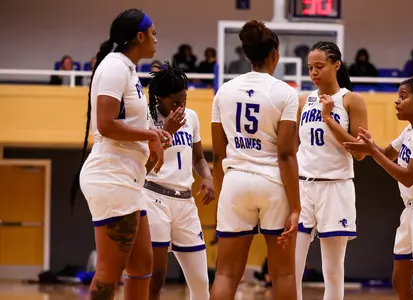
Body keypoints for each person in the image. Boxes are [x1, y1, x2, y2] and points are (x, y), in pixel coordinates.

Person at [69, 8, 169, 300]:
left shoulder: (128, 70)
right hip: (111, 176)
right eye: (153, 34)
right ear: (139, 36)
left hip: (127, 178)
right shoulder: (114, 67)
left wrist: (153, 141)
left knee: (141, 266)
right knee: (108, 273)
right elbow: (106, 124)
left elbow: (129, 125)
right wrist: (151, 135)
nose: (156, 40)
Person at [344, 72, 413, 300]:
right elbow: (386, 154)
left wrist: (372, 151)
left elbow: (408, 177)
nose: (396, 100)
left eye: (403, 96)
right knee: (400, 281)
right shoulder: (411, 129)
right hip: (412, 209)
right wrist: (367, 145)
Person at [210, 20, 300, 300]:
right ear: (275, 54)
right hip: (273, 183)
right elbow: (286, 154)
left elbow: (218, 155)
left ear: (248, 54)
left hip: (235, 181)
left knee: (226, 274)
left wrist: (222, 195)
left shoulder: (223, 91)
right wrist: (296, 207)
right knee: (283, 273)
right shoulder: (285, 92)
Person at [294, 41, 368, 300]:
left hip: (335, 186)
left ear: (336, 65)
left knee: (333, 270)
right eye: (310, 68)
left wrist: (329, 119)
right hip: (303, 185)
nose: (313, 72)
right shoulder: (303, 100)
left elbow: (359, 152)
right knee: (292, 268)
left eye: (319, 66)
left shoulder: (351, 100)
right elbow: (294, 147)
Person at [142, 62, 216, 300]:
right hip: (153, 197)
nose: (181, 107)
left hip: (185, 203)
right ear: (159, 99)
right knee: (156, 278)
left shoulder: (192, 117)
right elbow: (144, 168)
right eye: (175, 102)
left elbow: (198, 157)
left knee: (201, 282)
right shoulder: (145, 119)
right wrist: (167, 131)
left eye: (183, 100)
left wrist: (207, 177)